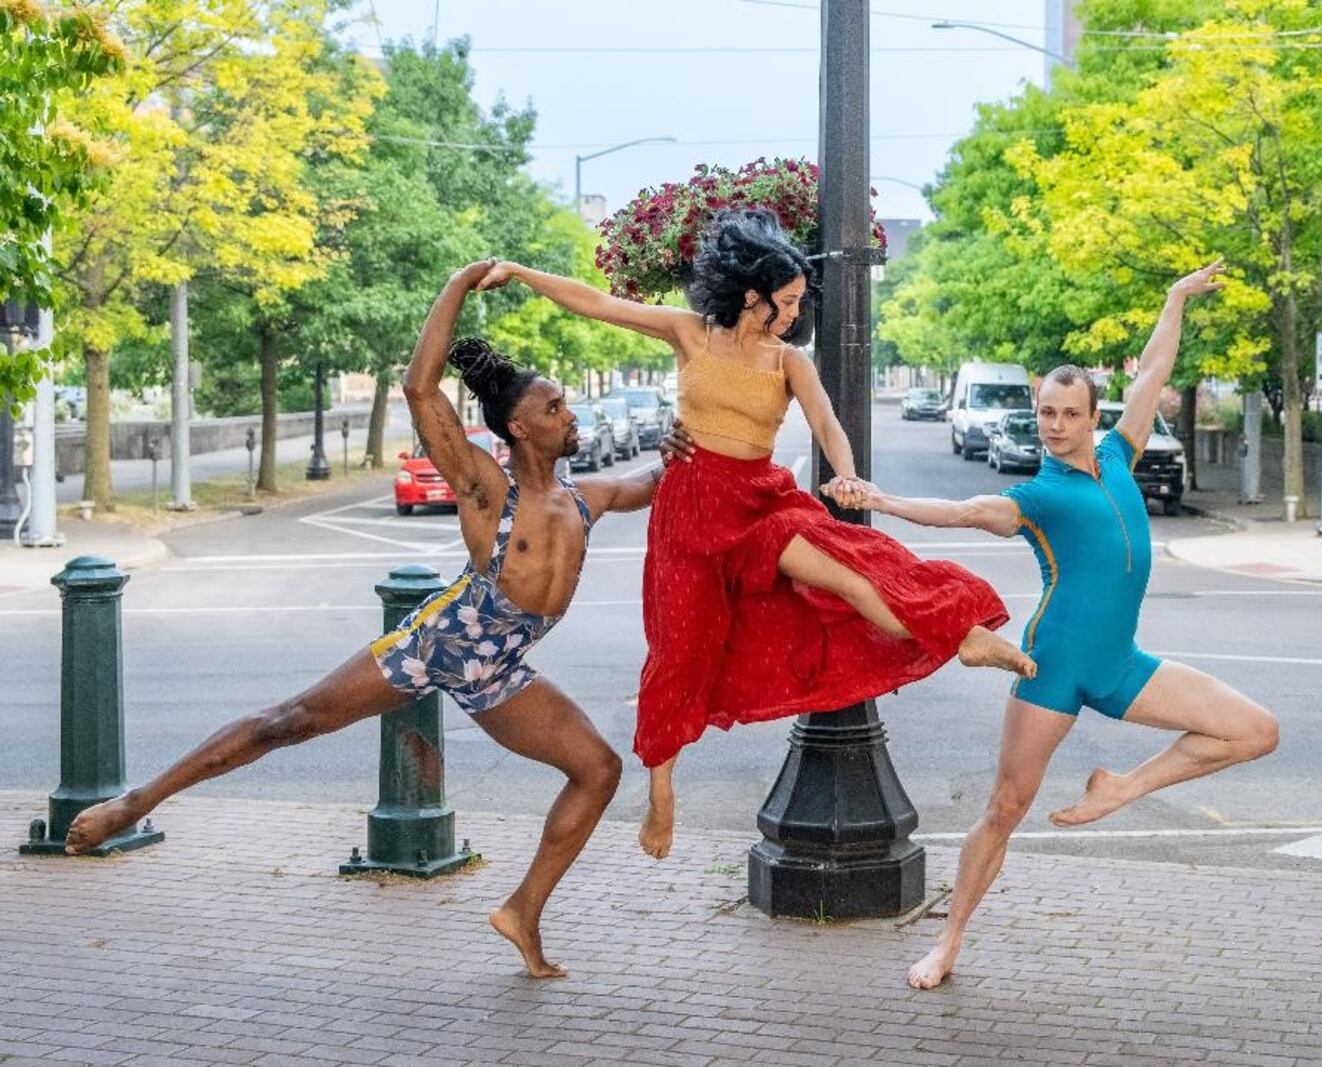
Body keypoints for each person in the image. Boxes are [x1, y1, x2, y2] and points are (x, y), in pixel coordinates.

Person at [64, 260, 664, 979]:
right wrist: (459, 280)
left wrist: (688, 451)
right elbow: (419, 387)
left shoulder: (586, 496)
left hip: (501, 672)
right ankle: (135, 802)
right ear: (518, 426)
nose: (570, 415)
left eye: (567, 405)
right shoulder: (484, 485)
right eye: (557, 407)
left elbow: (649, 482)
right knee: (288, 720)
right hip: (438, 642)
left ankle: (521, 912)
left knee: (597, 769)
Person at [474, 208, 1034, 860]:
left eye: (800, 301)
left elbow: (827, 424)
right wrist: (517, 272)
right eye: (787, 300)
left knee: (853, 570)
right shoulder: (690, 334)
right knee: (682, 649)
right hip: (689, 511)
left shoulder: (789, 361)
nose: (795, 312)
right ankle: (661, 787)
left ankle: (960, 636)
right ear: (753, 295)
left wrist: (849, 476)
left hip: (760, 503)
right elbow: (599, 303)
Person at [831, 260, 1280, 990]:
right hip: (1053, 668)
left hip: (1122, 664)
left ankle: (1120, 789)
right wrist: (876, 496)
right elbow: (965, 512)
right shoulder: (1040, 494)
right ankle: (947, 944)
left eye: (1070, 412)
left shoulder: (1118, 454)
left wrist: (1174, 299)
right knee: (1006, 806)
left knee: (1255, 729)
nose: (1057, 424)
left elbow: (1154, 369)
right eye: (1046, 411)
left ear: (1092, 417)